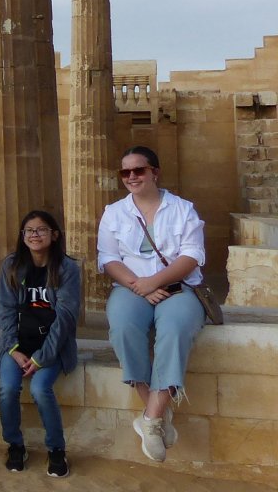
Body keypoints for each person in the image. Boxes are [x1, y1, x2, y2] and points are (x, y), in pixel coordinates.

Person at [98, 145, 206, 463]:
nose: (132, 176)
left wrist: (153, 283)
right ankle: (157, 415)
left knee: (174, 329)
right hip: (132, 289)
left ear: (154, 172)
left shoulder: (183, 209)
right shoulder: (114, 212)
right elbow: (108, 259)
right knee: (123, 328)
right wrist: (139, 287)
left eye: (138, 170)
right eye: (125, 172)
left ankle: (150, 418)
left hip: (178, 288)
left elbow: (192, 255)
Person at [0, 210, 80, 477]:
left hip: (52, 346)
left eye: (41, 230)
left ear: (54, 235)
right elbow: (5, 311)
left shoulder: (67, 268)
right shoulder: (11, 265)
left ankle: (56, 450)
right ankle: (15, 445)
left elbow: (65, 318)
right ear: (22, 236)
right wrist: (14, 349)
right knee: (8, 388)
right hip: (17, 345)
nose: (34, 235)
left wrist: (41, 357)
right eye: (29, 231)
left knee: (41, 389)